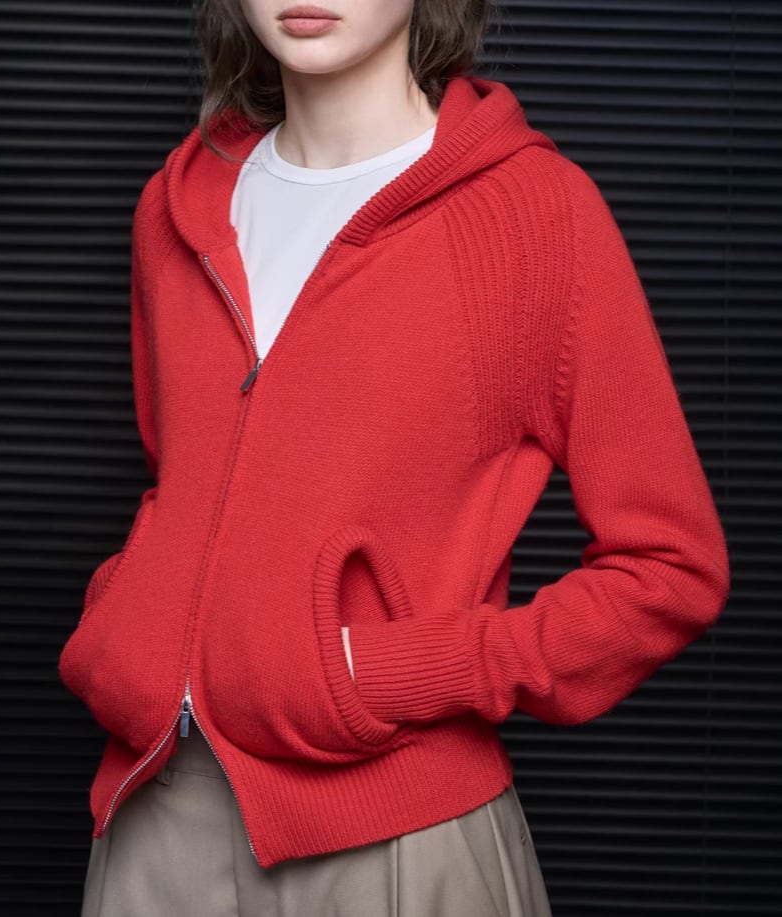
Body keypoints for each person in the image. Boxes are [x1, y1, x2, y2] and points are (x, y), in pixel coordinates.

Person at [58, 0, 731, 914]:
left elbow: (672, 567)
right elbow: (186, 486)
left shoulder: (536, 215)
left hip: (398, 836)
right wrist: (129, 621)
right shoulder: (175, 207)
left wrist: (395, 671)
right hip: (154, 809)